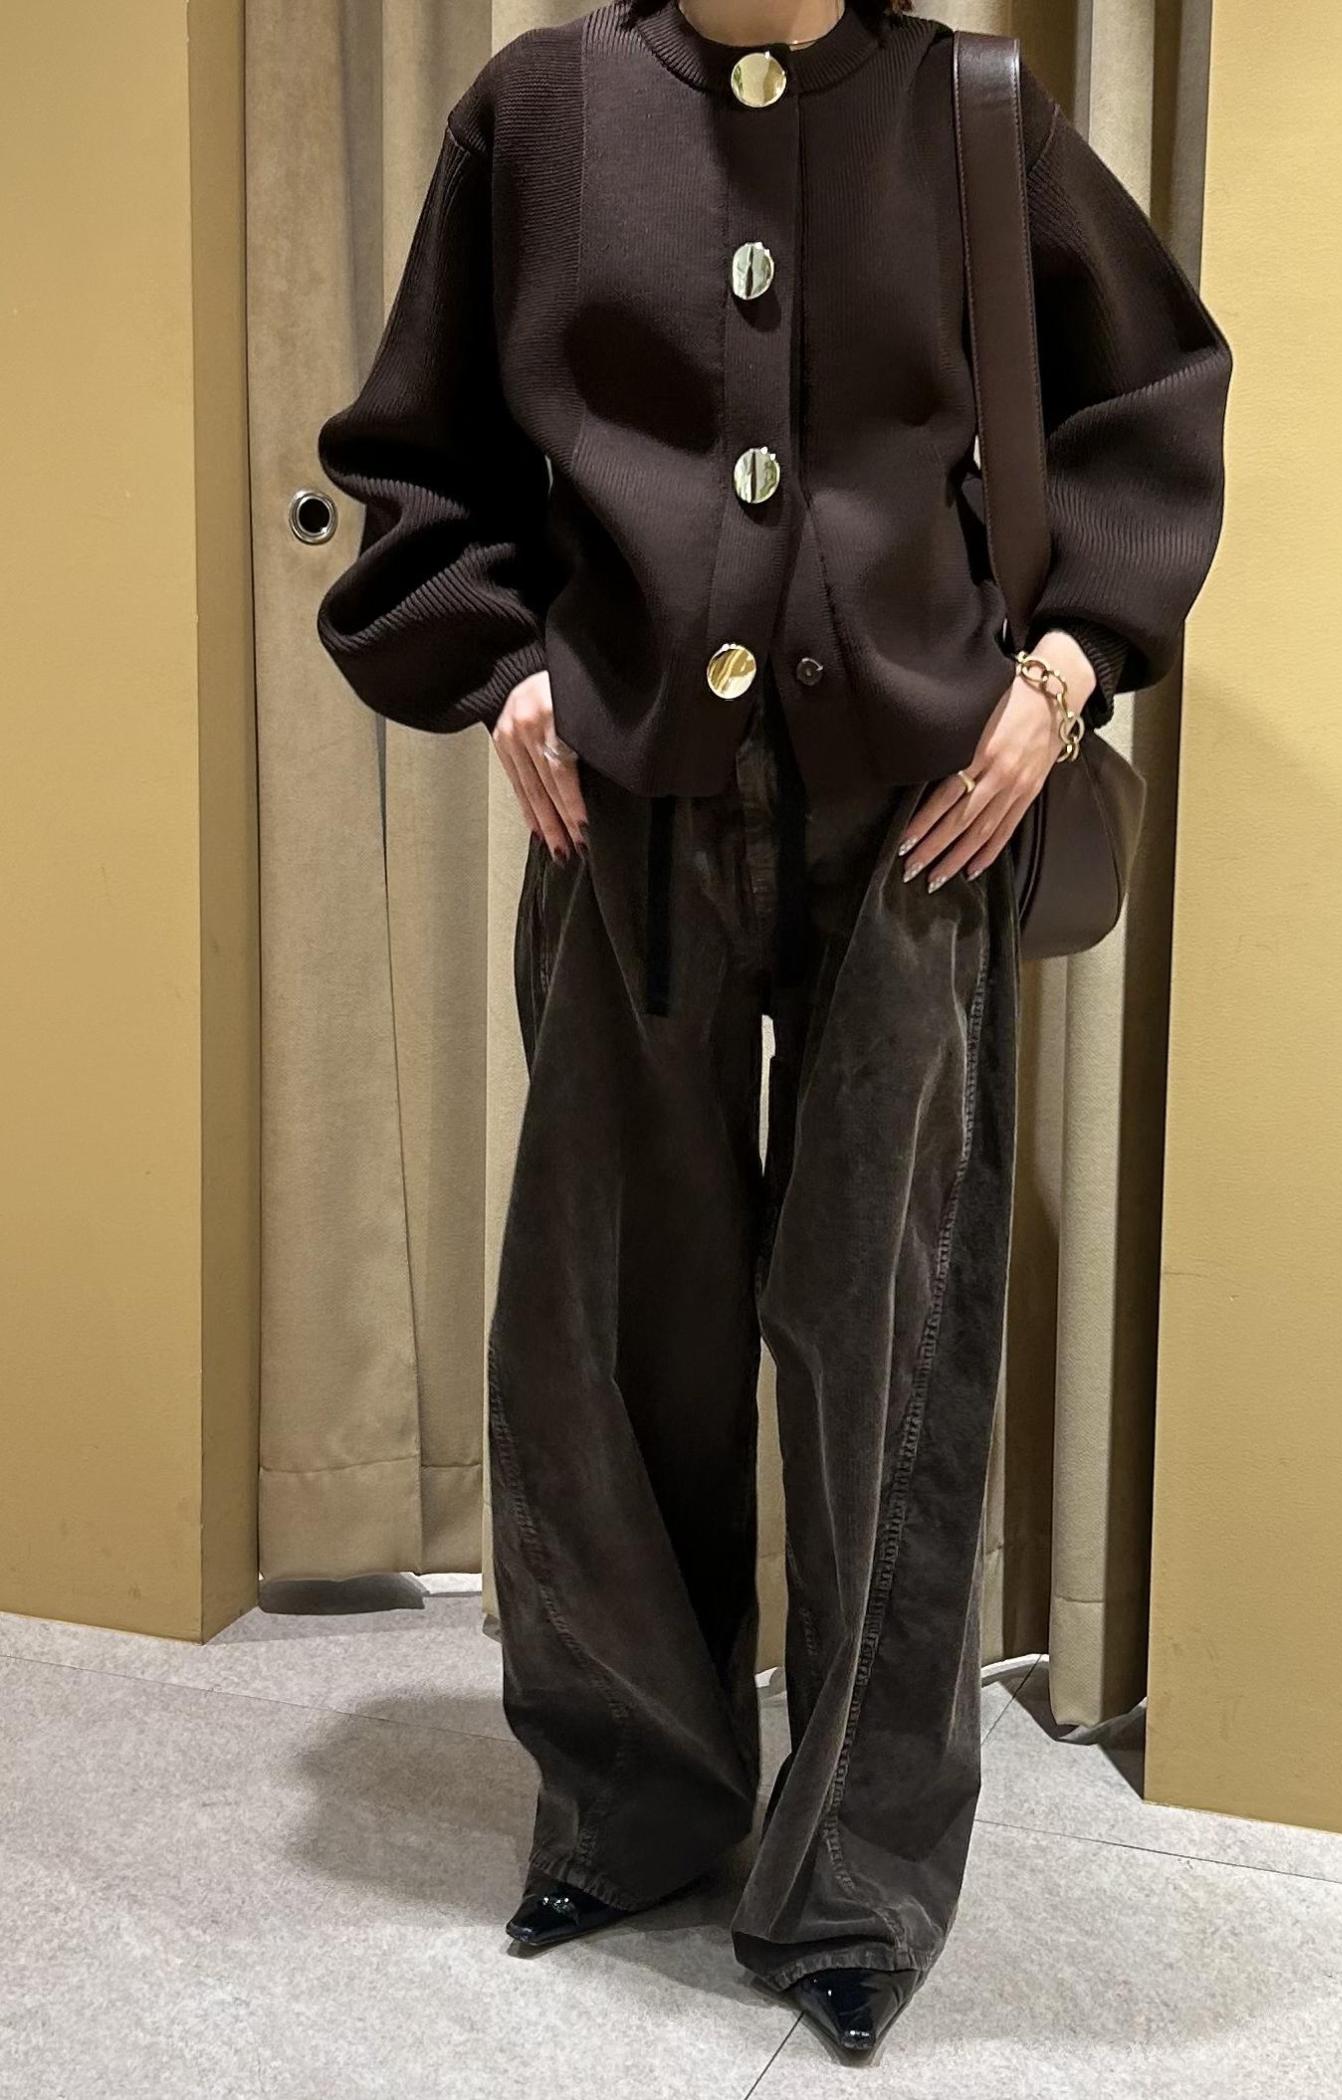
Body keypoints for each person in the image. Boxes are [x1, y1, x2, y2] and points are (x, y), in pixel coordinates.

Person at [314, 0, 1231, 2056]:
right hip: (624, 808)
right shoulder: (544, 110)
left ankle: (857, 1874)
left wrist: (1064, 674)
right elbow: (418, 449)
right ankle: (632, 1801)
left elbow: (1150, 396)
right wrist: (504, 667)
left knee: (886, 1331)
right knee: (603, 1319)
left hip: (918, 817)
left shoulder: (970, 108)